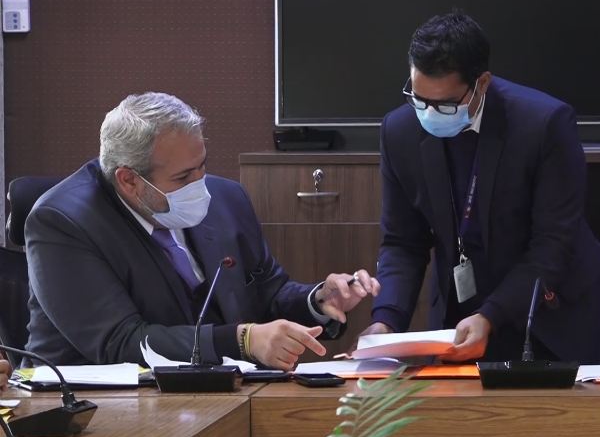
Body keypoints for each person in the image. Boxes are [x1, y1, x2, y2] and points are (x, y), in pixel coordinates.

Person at [24, 92, 379, 370]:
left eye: (202, 166)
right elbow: (121, 343)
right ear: (129, 180)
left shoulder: (227, 199)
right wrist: (242, 340)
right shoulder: (62, 223)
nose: (200, 186)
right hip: (93, 411)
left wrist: (317, 301)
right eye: (183, 177)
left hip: (218, 396)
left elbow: (268, 293)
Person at [361, 11, 600, 363]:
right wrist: (386, 321)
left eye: (445, 105)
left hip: (554, 317)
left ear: (482, 83)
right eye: (418, 98)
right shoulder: (399, 132)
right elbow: (402, 242)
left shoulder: (543, 124)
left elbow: (553, 244)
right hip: (463, 320)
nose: (428, 113)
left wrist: (491, 315)